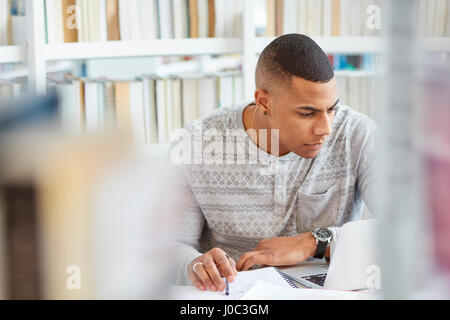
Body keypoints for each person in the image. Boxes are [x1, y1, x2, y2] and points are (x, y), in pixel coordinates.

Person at [170, 34, 377, 292]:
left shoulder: (358, 135)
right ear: (264, 102)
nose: (325, 128)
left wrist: (317, 243)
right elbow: (171, 247)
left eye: (332, 108)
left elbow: (413, 228)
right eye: (307, 113)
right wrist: (194, 265)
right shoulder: (195, 144)